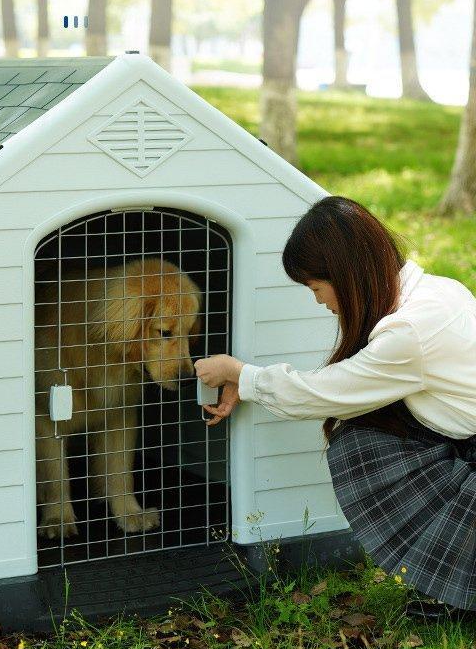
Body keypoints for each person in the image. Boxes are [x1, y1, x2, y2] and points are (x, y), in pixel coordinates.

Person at [194, 195, 476, 619]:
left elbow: (321, 393)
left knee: (358, 444)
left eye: (315, 288)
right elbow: (348, 387)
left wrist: (238, 372)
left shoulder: (409, 333)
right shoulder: (439, 291)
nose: (319, 302)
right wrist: (245, 380)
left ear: (344, 276)